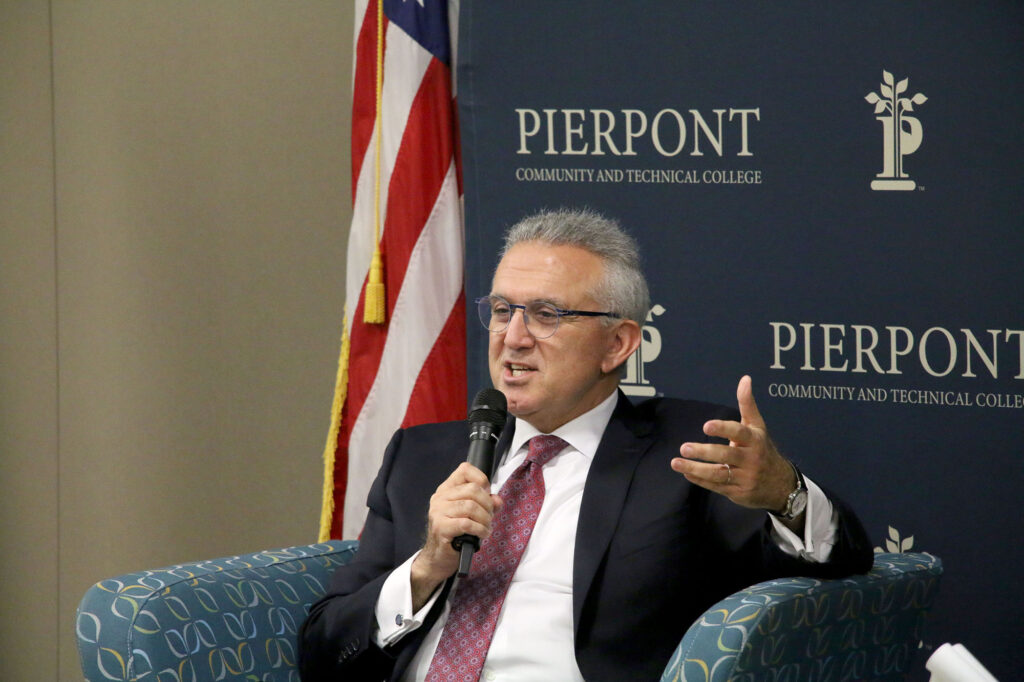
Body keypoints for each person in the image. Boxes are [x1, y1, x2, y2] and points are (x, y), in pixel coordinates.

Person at [298, 208, 873, 682]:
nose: (513, 338)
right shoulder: (420, 457)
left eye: (546, 315)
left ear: (617, 344)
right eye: (502, 311)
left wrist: (783, 494)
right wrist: (426, 567)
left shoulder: (686, 452)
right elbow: (322, 651)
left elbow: (843, 559)